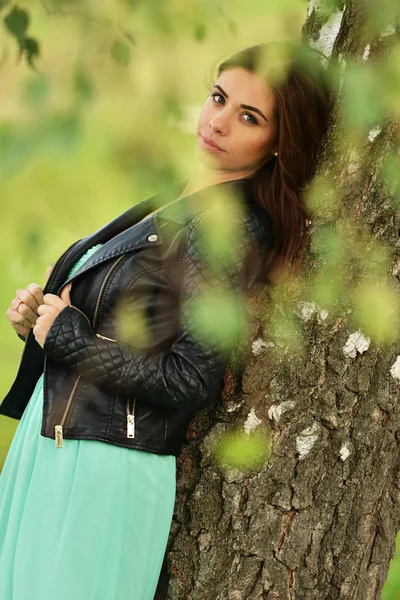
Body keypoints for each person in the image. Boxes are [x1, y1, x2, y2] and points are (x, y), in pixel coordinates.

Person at [0, 40, 333, 599]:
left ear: (279, 143)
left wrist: (69, 338)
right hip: (55, 443)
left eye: (248, 117)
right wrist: (43, 321)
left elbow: (189, 378)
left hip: (103, 471)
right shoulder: (180, 199)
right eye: (219, 97)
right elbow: (122, 315)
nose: (219, 121)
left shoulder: (231, 228)